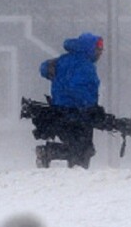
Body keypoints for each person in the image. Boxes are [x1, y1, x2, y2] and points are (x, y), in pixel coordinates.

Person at [36, 32, 104, 168]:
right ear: (88, 48)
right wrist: (91, 107)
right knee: (83, 150)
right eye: (98, 50)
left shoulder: (64, 60)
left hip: (59, 111)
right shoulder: (85, 65)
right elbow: (77, 88)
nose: (100, 53)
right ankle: (51, 154)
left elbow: (45, 69)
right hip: (78, 113)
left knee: (77, 147)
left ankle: (52, 154)